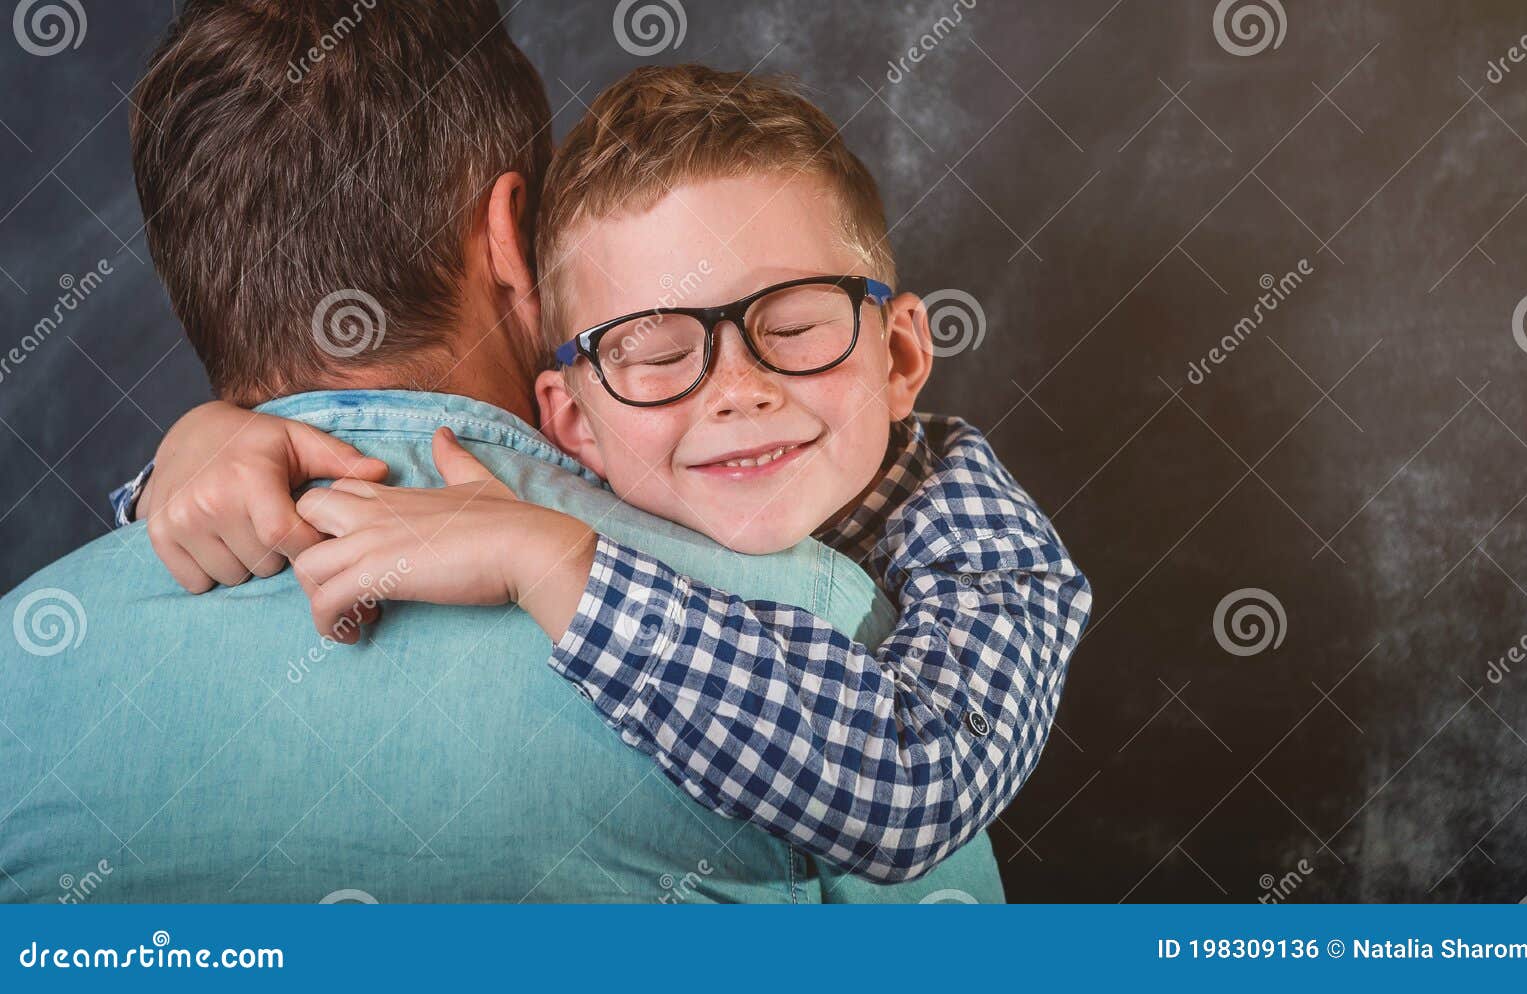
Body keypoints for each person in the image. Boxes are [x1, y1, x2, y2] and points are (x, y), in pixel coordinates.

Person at [0, 0, 1001, 903]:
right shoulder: (832, 644)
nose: (735, 391)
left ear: (187, 272)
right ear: (513, 241)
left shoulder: (27, 664)